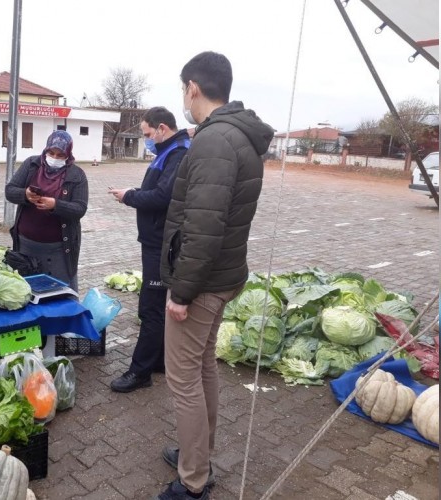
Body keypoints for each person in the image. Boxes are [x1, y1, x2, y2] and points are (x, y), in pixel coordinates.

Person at [157, 52, 274, 500]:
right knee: (203, 368)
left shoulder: (214, 140)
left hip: (202, 281)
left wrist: (182, 292)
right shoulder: (237, 136)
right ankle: (196, 456)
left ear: (192, 87)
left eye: (182, 90)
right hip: (224, 274)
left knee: (183, 379)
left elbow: (203, 228)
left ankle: (193, 482)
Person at [108, 107, 189, 393]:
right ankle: (159, 360)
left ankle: (140, 372)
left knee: (151, 308)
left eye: (147, 134)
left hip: (162, 243)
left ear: (162, 128)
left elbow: (163, 197)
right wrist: (134, 190)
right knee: (155, 305)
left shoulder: (178, 153)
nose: (146, 139)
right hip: (156, 239)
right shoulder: (168, 152)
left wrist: (129, 196)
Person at [5, 130, 88, 291]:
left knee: (58, 294)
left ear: (68, 154)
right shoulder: (31, 164)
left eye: (60, 155)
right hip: (26, 246)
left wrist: (56, 205)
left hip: (58, 250)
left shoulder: (77, 175)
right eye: (51, 152)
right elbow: (10, 191)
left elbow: (80, 208)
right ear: (46, 150)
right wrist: (26, 195)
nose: (55, 158)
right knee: (26, 293)